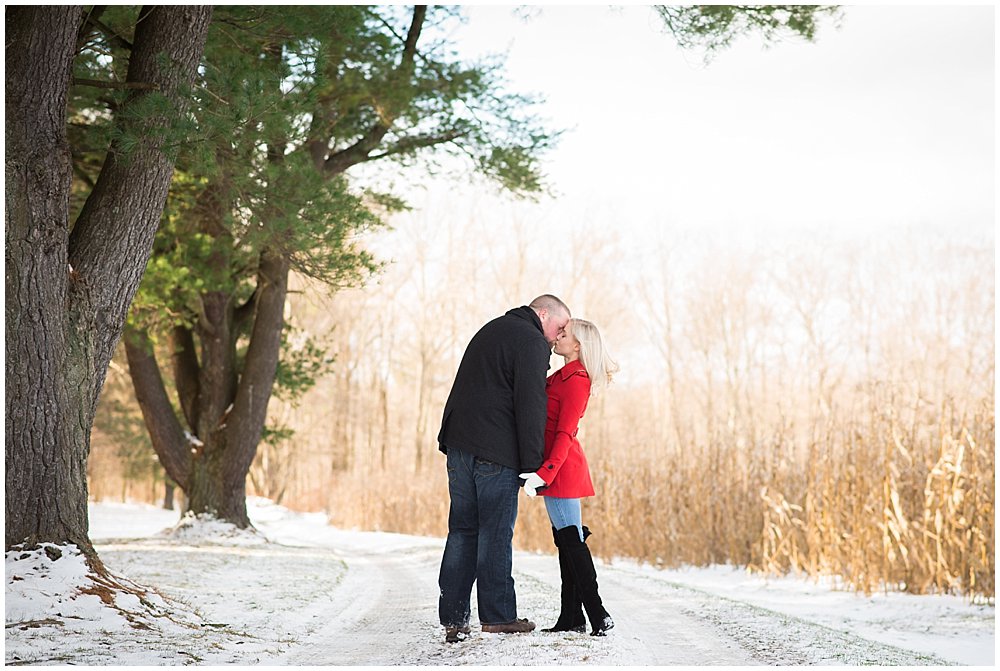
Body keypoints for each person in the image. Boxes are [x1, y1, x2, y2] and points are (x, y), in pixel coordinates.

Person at [437, 294, 572, 644]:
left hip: (459, 444)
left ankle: (454, 618)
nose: (556, 337)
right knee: (495, 532)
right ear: (543, 314)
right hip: (495, 451)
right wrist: (532, 465)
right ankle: (498, 617)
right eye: (558, 327)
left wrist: (449, 441)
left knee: (462, 530)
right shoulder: (530, 340)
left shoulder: (493, 328)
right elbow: (530, 403)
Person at [519, 318, 618, 637]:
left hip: (561, 469)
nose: (557, 336)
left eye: (564, 334)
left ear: (577, 345)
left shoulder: (577, 380)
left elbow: (564, 433)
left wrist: (544, 474)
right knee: (568, 540)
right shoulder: (560, 376)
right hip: (556, 468)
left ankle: (598, 613)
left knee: (572, 542)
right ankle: (572, 616)